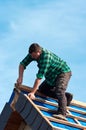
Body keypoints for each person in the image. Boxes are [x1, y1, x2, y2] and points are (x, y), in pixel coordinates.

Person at [16, 43, 73, 121]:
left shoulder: (46, 58)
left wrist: (32, 92)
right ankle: (67, 97)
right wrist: (20, 77)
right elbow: (22, 64)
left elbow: (39, 77)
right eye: (31, 56)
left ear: (39, 52)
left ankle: (62, 113)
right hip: (51, 75)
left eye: (34, 56)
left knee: (60, 90)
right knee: (43, 89)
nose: (33, 58)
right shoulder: (33, 54)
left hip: (62, 72)